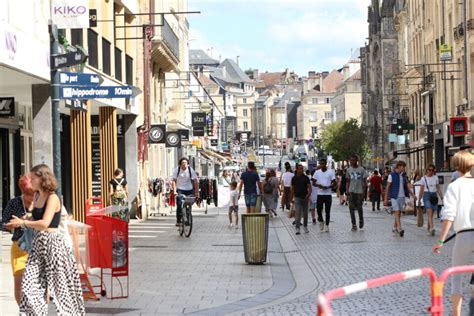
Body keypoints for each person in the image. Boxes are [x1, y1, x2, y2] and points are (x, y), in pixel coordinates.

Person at [8, 164, 85, 315]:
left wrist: (23, 223)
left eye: (32, 178)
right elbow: (36, 217)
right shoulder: (37, 196)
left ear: (42, 177)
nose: (30, 181)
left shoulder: (53, 197)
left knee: (61, 290)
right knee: (29, 286)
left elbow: (45, 223)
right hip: (38, 245)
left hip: (53, 245)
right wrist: (27, 217)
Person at [432, 150, 474, 316]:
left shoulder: (454, 186)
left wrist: (440, 241)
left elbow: (449, 215)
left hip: (463, 235)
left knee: (457, 277)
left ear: (457, 166)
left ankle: (456, 314)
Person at [1, 175, 35, 305]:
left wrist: (27, 220)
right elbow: (3, 223)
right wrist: (10, 226)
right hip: (19, 247)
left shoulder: (41, 203)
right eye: (28, 194)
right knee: (19, 283)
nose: (31, 198)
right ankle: (23, 310)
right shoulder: (14, 203)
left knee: (39, 284)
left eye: (33, 194)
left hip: (38, 247)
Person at [384, 160, 414, 237]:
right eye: (403, 167)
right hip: (394, 197)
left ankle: (394, 227)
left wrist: (413, 195)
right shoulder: (391, 175)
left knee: (398, 213)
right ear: (399, 166)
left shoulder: (403, 176)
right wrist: (385, 198)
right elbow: (387, 187)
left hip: (402, 197)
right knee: (397, 211)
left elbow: (406, 187)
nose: (404, 169)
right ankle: (399, 228)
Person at [418, 164, 444, 236]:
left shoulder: (435, 177)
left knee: (432, 214)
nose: (431, 171)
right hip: (426, 195)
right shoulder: (423, 178)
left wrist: (441, 197)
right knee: (429, 212)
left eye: (432, 170)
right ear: (427, 170)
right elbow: (421, 190)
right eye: (429, 170)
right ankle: (432, 228)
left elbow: (438, 188)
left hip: (434, 196)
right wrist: (419, 200)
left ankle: (429, 228)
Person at [172, 157, 199, 226]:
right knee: (179, 204)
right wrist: (174, 191)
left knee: (189, 204)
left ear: (188, 164)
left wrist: (196, 192)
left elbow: (195, 181)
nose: (184, 164)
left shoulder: (190, 170)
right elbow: (174, 181)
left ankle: (188, 217)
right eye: (182, 163)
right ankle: (178, 220)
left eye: (185, 163)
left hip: (189, 189)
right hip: (180, 189)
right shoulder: (177, 170)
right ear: (180, 164)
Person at [313, 159, 336, 232]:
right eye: (320, 164)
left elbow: (334, 183)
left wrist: (328, 186)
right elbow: (313, 182)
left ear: (325, 164)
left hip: (328, 194)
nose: (322, 165)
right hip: (320, 194)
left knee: (327, 211)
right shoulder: (317, 172)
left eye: (323, 164)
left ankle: (327, 225)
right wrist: (318, 185)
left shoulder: (330, 172)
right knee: (319, 210)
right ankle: (321, 220)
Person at [346, 155, 368, 231]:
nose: (352, 162)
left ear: (357, 161)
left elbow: (364, 182)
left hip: (359, 191)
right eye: (351, 160)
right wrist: (347, 190)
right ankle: (354, 224)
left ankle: (361, 220)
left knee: (359, 208)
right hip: (351, 192)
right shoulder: (349, 170)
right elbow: (348, 181)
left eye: (354, 160)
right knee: (351, 209)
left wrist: (364, 193)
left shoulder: (362, 170)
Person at [291, 164, 312, 235]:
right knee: (298, 213)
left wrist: (308, 194)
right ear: (296, 169)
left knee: (305, 213)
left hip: (305, 197)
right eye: (299, 169)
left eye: (302, 169)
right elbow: (293, 189)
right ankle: (297, 228)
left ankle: (305, 226)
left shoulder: (306, 177)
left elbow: (310, 187)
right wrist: (291, 198)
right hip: (297, 198)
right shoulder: (294, 178)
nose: (301, 170)